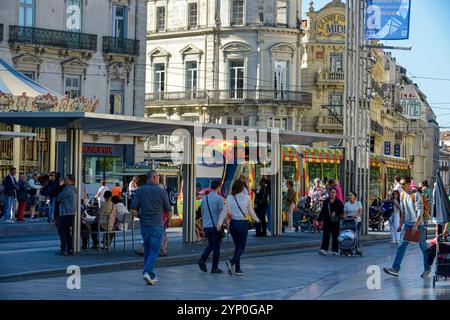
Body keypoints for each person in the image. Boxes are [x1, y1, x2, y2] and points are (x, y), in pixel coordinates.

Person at [383, 177, 431, 278]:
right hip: (408, 225)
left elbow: (420, 212)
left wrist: (415, 226)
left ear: (409, 184)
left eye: (404, 184)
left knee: (423, 247)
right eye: (401, 184)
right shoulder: (403, 195)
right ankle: (395, 269)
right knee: (401, 246)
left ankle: (427, 269)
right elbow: (403, 212)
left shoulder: (416, 195)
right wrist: (400, 224)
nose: (401, 185)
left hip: (419, 225)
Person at [131, 170, 172, 285]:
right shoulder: (161, 192)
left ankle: (151, 275)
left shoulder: (139, 191)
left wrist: (140, 216)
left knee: (148, 250)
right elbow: (169, 211)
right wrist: (168, 221)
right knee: (155, 250)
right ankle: (147, 272)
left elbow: (133, 209)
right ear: (153, 177)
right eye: (158, 177)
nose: (159, 179)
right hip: (157, 225)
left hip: (144, 225)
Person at [217, 179, 260, 276]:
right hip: (242, 224)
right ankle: (231, 262)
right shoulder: (247, 198)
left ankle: (237, 268)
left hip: (233, 224)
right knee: (242, 248)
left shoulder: (229, 198)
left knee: (237, 247)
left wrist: (219, 224)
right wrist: (257, 220)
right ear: (242, 188)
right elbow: (251, 212)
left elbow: (224, 212)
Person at [197, 180, 225, 273]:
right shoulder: (219, 199)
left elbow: (202, 212)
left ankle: (202, 259)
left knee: (211, 244)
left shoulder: (204, 198)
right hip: (216, 226)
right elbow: (222, 213)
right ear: (218, 187)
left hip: (206, 226)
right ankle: (214, 267)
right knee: (216, 247)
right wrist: (226, 224)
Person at [55, 174, 77, 256]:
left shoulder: (67, 189)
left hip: (65, 213)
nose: (64, 180)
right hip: (71, 213)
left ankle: (64, 249)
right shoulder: (74, 189)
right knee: (67, 232)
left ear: (70, 180)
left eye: (66, 179)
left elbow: (59, 197)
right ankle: (69, 249)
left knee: (62, 231)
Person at [318, 187, 344, 256]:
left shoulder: (339, 202)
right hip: (327, 220)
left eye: (334, 192)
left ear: (336, 194)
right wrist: (320, 219)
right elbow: (322, 211)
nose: (332, 194)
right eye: (331, 192)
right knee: (326, 235)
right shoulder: (326, 201)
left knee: (335, 235)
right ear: (329, 193)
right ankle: (324, 249)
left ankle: (335, 249)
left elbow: (342, 211)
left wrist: (336, 213)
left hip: (335, 221)